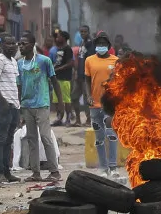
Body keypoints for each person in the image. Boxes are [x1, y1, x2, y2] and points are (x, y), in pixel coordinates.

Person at [17, 33, 62, 183]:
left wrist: (60, 102)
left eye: (24, 44)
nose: (21, 46)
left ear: (32, 45)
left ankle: (54, 171)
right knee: (31, 139)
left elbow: (54, 81)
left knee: (45, 136)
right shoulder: (19, 63)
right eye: (20, 44)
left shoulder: (44, 61)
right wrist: (19, 106)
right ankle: (35, 172)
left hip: (42, 103)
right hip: (26, 105)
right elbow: (19, 85)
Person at [84, 34, 122, 179]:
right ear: (95, 45)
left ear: (108, 45)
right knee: (99, 137)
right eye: (98, 43)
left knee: (111, 134)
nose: (101, 45)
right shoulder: (89, 60)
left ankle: (113, 167)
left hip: (109, 104)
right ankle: (103, 167)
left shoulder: (116, 60)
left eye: (103, 43)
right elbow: (86, 80)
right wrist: (88, 96)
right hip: (94, 104)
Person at [0, 34, 21, 184]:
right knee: (0, 139)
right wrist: (2, 100)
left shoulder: (13, 61)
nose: (11, 46)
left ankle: (7, 172)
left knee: (8, 140)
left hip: (14, 105)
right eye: (8, 43)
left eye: (13, 43)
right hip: (3, 105)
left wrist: (17, 103)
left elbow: (14, 83)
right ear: (2, 45)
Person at [51, 30, 75, 126]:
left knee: (66, 99)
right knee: (56, 100)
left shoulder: (67, 49)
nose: (57, 38)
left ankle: (68, 118)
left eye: (59, 36)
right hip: (56, 78)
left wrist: (58, 69)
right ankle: (59, 118)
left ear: (64, 38)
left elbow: (70, 63)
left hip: (65, 78)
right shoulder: (58, 49)